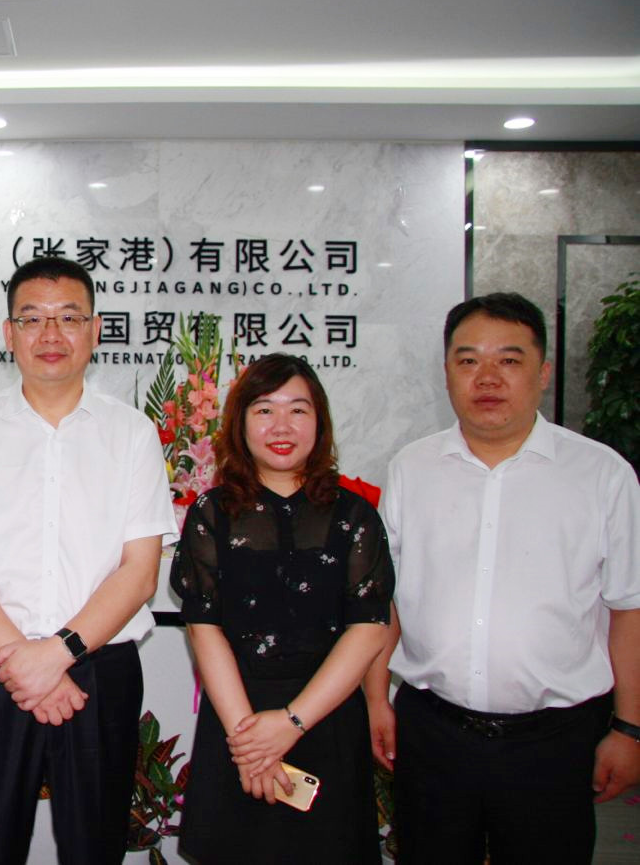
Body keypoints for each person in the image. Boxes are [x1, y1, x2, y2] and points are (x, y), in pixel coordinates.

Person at [364, 292, 640, 864]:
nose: (487, 377)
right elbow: (385, 600)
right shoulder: (412, 468)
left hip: (555, 742)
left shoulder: (602, 474)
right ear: (447, 372)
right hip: (433, 732)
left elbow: (629, 607)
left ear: (543, 372)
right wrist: (374, 699)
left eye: (508, 360)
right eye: (468, 360)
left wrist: (630, 728)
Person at [0, 257, 178, 865]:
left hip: (97, 672)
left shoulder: (132, 433)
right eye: (32, 319)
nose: (50, 334)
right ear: (8, 333)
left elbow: (139, 572)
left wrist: (57, 654)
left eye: (68, 317)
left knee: (95, 847)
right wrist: (21, 660)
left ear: (96, 329)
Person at [170, 353, 394, 864]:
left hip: (326, 717)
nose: (281, 426)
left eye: (298, 410)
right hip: (238, 719)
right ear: (240, 423)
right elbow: (204, 628)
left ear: (320, 422)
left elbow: (368, 628)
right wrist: (251, 743)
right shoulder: (212, 514)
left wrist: (291, 724)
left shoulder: (354, 515)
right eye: (264, 410)